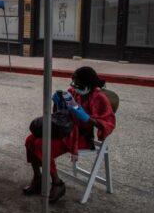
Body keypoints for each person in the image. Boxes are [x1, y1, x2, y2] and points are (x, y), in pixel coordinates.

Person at [23, 66, 116, 203]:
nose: (74, 86)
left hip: (82, 137)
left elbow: (108, 122)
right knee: (30, 140)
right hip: (66, 130)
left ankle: (57, 183)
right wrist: (59, 101)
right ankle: (38, 178)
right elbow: (62, 112)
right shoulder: (74, 92)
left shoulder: (99, 98)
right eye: (73, 83)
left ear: (88, 84)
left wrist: (86, 117)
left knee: (42, 145)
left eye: (77, 83)